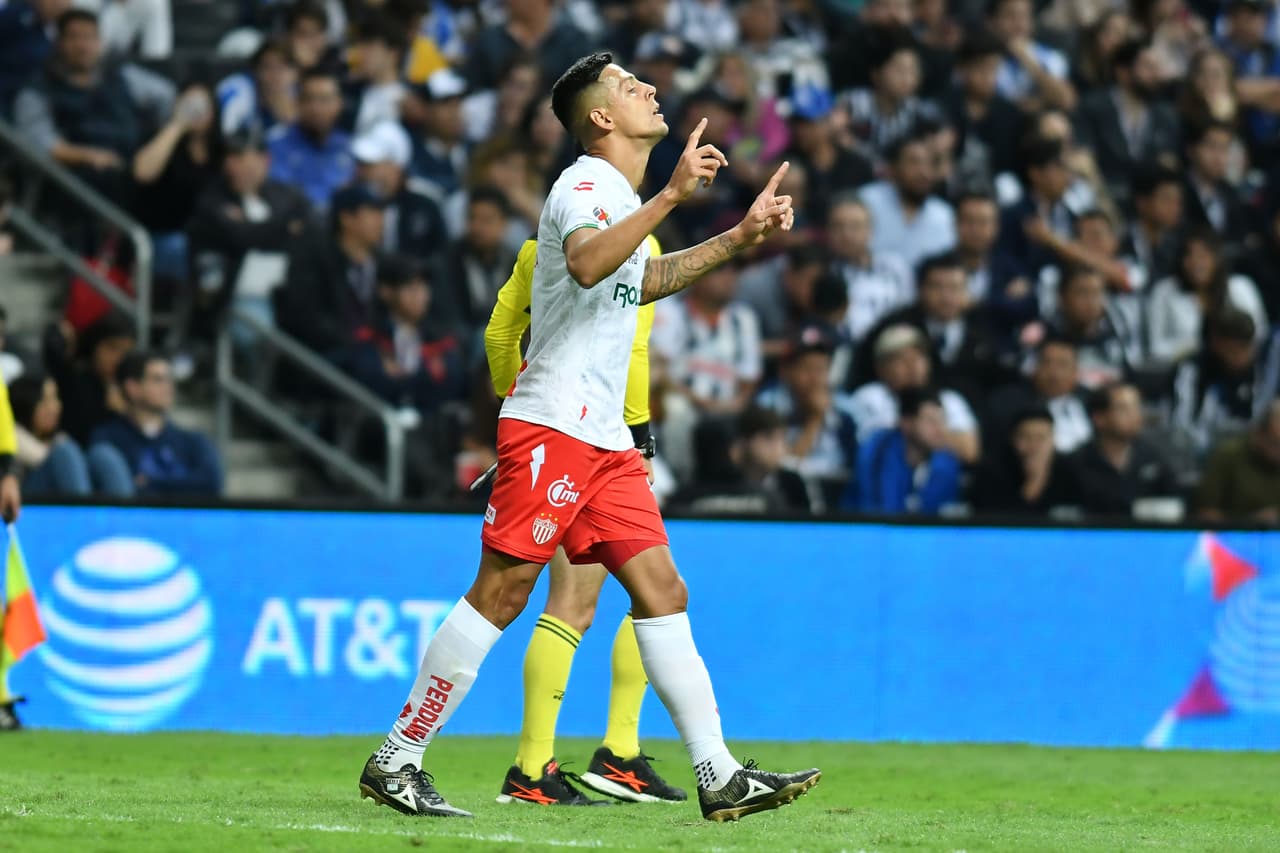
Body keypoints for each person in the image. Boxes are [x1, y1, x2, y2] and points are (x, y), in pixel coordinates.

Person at [359, 51, 819, 822]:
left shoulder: (621, 198)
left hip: (604, 438)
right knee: (502, 593)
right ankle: (397, 756)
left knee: (663, 590)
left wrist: (738, 237)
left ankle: (718, 772)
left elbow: (645, 279)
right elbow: (582, 264)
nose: (651, 90)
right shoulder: (584, 185)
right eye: (632, 87)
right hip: (553, 424)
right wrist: (674, 194)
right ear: (601, 117)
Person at [482, 229, 686, 804]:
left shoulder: (535, 251)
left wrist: (517, 404)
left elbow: (499, 335)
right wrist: (642, 442)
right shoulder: (641, 250)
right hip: (603, 446)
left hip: (547, 435)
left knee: (633, 597)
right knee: (637, 597)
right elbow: (635, 354)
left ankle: (605, 756)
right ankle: (549, 765)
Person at [13, 8, 174, 196]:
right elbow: (40, 142)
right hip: (75, 182)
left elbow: (167, 96)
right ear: (59, 42)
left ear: (100, 43)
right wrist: (87, 155)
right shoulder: (38, 89)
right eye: (74, 38)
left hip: (134, 169)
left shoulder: (120, 76)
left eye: (90, 38)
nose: (83, 46)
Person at [89, 351, 223, 497]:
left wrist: (150, 482)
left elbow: (211, 483)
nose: (169, 388)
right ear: (132, 388)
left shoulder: (193, 441)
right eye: (158, 380)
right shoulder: (108, 439)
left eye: (170, 380)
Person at [755, 322, 859, 510]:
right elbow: (779, 470)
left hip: (838, 497)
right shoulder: (767, 405)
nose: (815, 378)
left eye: (821, 369)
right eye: (806, 368)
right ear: (785, 371)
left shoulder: (846, 411)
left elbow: (855, 468)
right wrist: (814, 420)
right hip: (786, 500)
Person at [347, 255, 465, 416]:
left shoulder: (439, 338)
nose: (420, 296)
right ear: (386, 292)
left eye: (423, 287)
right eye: (411, 288)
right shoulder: (371, 337)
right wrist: (427, 375)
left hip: (432, 426)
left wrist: (403, 376)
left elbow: (453, 380)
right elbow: (370, 379)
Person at [278, 184, 385, 359]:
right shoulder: (314, 256)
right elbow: (305, 315)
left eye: (381, 213)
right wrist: (354, 344)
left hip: (371, 354)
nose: (381, 220)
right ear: (346, 218)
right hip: (325, 356)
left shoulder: (383, 263)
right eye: (372, 213)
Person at [848, 323, 981, 463]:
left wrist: (918, 431)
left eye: (919, 357)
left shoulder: (949, 399)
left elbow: (969, 451)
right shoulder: (869, 397)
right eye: (901, 359)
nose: (913, 365)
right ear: (880, 367)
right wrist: (933, 433)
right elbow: (868, 447)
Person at [1075, 38, 1182, 205]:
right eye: (1147, 67)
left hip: (1148, 202)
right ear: (1122, 72)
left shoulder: (1165, 115)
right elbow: (1084, 160)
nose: (1155, 74)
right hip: (1103, 194)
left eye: (1156, 67)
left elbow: (1168, 163)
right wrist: (1104, 203)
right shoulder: (1093, 107)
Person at [7, 373, 131, 497]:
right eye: (44, 401)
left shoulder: (57, 439)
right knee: (65, 452)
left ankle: (127, 514)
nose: (55, 407)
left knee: (103, 455)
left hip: (59, 497)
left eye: (55, 398)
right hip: (26, 503)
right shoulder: (11, 434)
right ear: (26, 403)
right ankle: (81, 513)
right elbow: (43, 457)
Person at [1070, 381, 1179, 517]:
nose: (1135, 416)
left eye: (1137, 407)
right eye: (1123, 409)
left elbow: (1174, 506)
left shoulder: (1154, 460)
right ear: (1099, 418)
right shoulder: (1075, 464)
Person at [849, 386, 962, 514]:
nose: (940, 429)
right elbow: (879, 513)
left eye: (942, 420)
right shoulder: (878, 452)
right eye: (931, 421)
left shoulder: (947, 462)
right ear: (906, 423)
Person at [857, 132, 956, 268]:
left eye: (930, 164)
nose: (924, 172)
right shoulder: (867, 202)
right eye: (914, 162)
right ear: (893, 168)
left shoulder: (943, 215)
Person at [826, 194, 914, 345]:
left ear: (870, 230)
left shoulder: (896, 267)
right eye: (838, 226)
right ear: (827, 231)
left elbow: (909, 313)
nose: (846, 234)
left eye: (855, 226)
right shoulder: (824, 273)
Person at [984, 336, 1092, 455]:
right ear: (1035, 368)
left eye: (1063, 365)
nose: (1054, 372)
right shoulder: (1007, 403)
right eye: (1047, 363)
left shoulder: (1091, 402)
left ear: (1076, 372)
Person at [266, 68, 353, 212]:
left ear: (339, 104)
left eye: (325, 100)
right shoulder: (276, 146)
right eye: (309, 99)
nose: (316, 109)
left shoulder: (345, 145)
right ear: (297, 104)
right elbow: (280, 199)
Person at [971, 405, 1081, 515]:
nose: (1033, 446)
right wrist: (1034, 482)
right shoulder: (991, 472)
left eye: (1040, 438)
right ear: (1012, 439)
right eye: (1025, 437)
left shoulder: (1070, 471)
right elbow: (994, 519)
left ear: (1053, 440)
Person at [1197, 398, 1280, 523]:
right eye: (1275, 443)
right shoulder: (1228, 456)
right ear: (1259, 434)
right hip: (1233, 536)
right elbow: (1205, 513)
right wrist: (1250, 522)